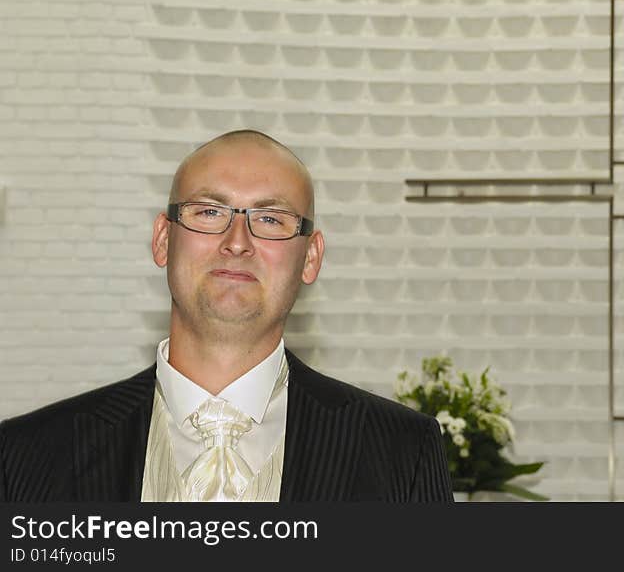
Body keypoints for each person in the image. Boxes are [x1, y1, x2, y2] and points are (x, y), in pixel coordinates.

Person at [0, 130, 453, 502]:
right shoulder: (24, 456)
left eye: (272, 219)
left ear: (311, 258)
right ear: (162, 239)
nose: (237, 241)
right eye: (209, 212)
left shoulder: (403, 453)